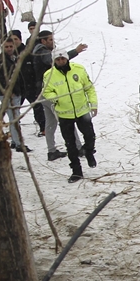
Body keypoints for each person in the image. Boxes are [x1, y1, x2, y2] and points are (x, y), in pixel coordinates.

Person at [40, 48, 97, 182]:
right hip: (65, 115)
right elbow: (46, 91)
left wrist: (93, 104)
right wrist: (56, 98)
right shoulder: (49, 75)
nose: (61, 61)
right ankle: (76, 171)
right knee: (70, 144)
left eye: (63, 59)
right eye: (58, 59)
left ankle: (89, 152)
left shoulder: (79, 69)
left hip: (82, 111)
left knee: (90, 136)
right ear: (54, 61)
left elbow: (89, 87)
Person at [30, 31, 88, 159]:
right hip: (49, 93)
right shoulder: (42, 52)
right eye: (50, 40)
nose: (53, 42)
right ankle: (77, 148)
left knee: (50, 123)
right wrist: (75, 51)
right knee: (66, 120)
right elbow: (55, 61)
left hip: (43, 93)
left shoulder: (38, 51)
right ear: (43, 41)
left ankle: (51, 151)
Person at [0, 37, 31, 153]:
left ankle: (15, 141)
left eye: (11, 46)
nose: (9, 49)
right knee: (14, 119)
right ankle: (19, 143)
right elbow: (0, 78)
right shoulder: (1, 61)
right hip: (9, 94)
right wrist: (9, 91)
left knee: (14, 118)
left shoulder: (13, 58)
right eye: (6, 47)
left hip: (17, 92)